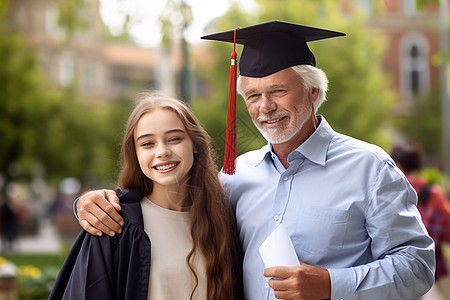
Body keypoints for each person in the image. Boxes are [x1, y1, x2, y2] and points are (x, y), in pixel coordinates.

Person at [73, 21, 435, 300]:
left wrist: (330, 284)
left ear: (313, 91)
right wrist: (91, 203)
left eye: (278, 90)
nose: (265, 107)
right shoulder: (236, 175)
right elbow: (171, 201)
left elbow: (418, 267)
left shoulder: (369, 168)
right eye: (252, 95)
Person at [50, 92, 243, 300]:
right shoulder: (115, 223)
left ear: (195, 144)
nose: (162, 151)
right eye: (147, 144)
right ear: (135, 153)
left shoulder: (222, 218)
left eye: (174, 139)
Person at [391, 142, 450, 300]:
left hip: (387, 273)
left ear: (397, 164)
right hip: (420, 274)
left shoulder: (387, 189)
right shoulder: (433, 194)